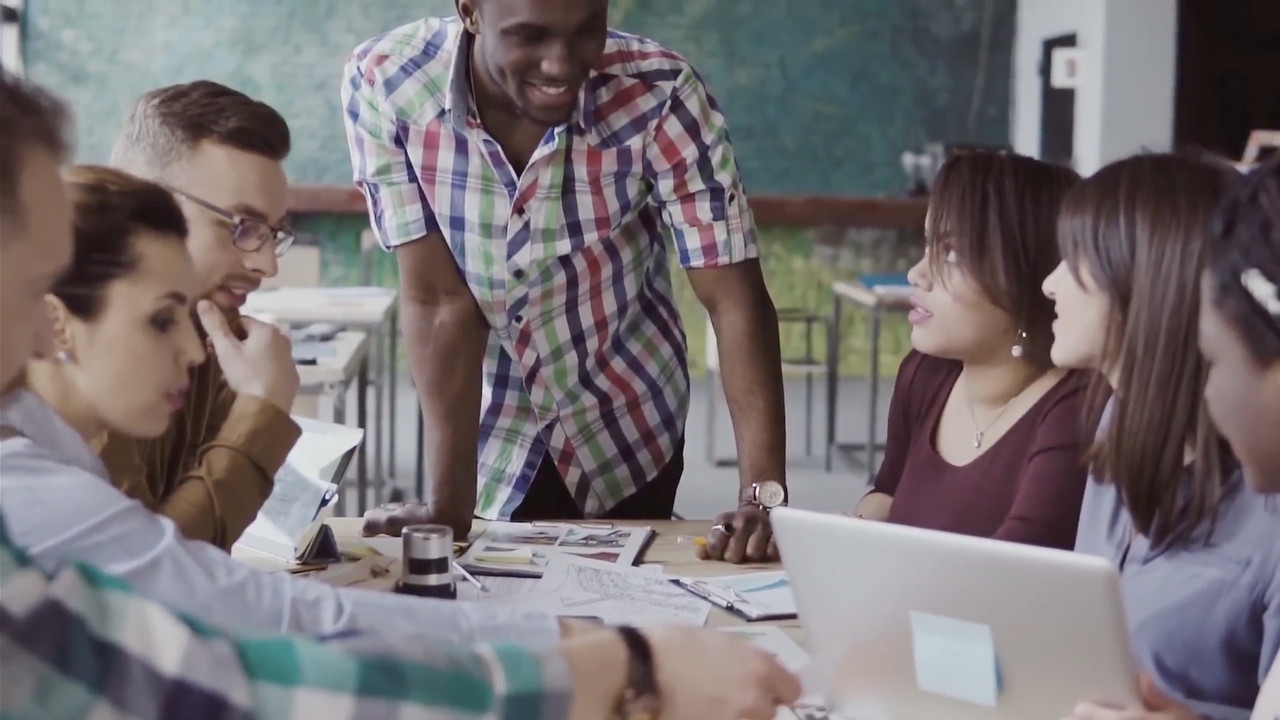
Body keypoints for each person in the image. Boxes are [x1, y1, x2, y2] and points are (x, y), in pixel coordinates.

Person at [0, 71, 800, 720]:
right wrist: (608, 665)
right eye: (40, 277)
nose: (265, 264)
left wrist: (575, 648)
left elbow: (235, 608)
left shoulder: (121, 406)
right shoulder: (31, 492)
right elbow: (241, 649)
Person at [1, 165, 564, 648]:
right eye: (162, 320)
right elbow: (233, 603)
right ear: (56, 323)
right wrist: (557, 644)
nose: (192, 350)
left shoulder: (59, 456)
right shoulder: (40, 495)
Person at [343, 0, 790, 556]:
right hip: (489, 428)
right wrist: (448, 505)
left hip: (627, 419)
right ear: (470, 11)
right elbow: (439, 301)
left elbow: (733, 298)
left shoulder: (661, 91)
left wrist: (761, 500)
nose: (561, 65)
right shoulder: (387, 82)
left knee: (629, 594)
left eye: (586, 31)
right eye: (529, 36)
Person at [702, 151, 1089, 562]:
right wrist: (842, 533)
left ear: (1029, 273)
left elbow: (1015, 568)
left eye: (951, 254)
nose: (917, 273)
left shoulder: (1075, 410)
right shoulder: (926, 375)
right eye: (928, 245)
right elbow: (889, 494)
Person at [1044, 153, 1279, 718]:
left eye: (1075, 258)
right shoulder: (1116, 423)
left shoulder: (1268, 502)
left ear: (1146, 283)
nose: (1049, 284)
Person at [99, 80, 303, 550]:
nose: (266, 265)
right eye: (241, 226)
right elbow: (150, 572)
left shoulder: (207, 330)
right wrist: (263, 411)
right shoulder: (79, 348)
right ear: (143, 205)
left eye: (273, 233)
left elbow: (195, 561)